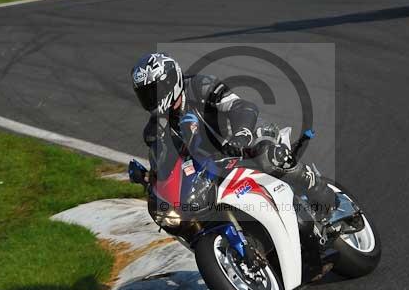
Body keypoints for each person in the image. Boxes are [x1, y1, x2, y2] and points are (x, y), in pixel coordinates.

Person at [130, 52, 337, 223]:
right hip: (214, 167)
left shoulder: (200, 86)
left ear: (170, 82)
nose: (150, 99)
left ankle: (318, 189)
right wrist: (149, 178)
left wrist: (242, 134)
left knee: (267, 156)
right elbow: (165, 166)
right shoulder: (154, 130)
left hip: (244, 139)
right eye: (145, 94)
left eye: (153, 91)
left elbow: (242, 107)